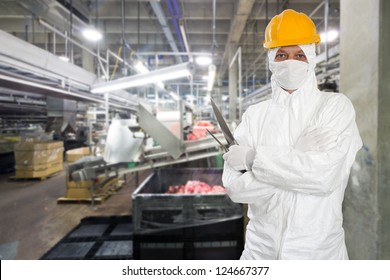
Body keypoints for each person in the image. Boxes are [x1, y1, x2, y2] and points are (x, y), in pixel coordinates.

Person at [222, 9, 362, 260]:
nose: (290, 62)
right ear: (271, 60)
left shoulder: (334, 107)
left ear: (311, 58)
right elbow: (236, 189)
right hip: (260, 252)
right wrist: (298, 159)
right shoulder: (255, 116)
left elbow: (322, 178)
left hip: (318, 254)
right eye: (282, 55)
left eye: (299, 55)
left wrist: (254, 160)